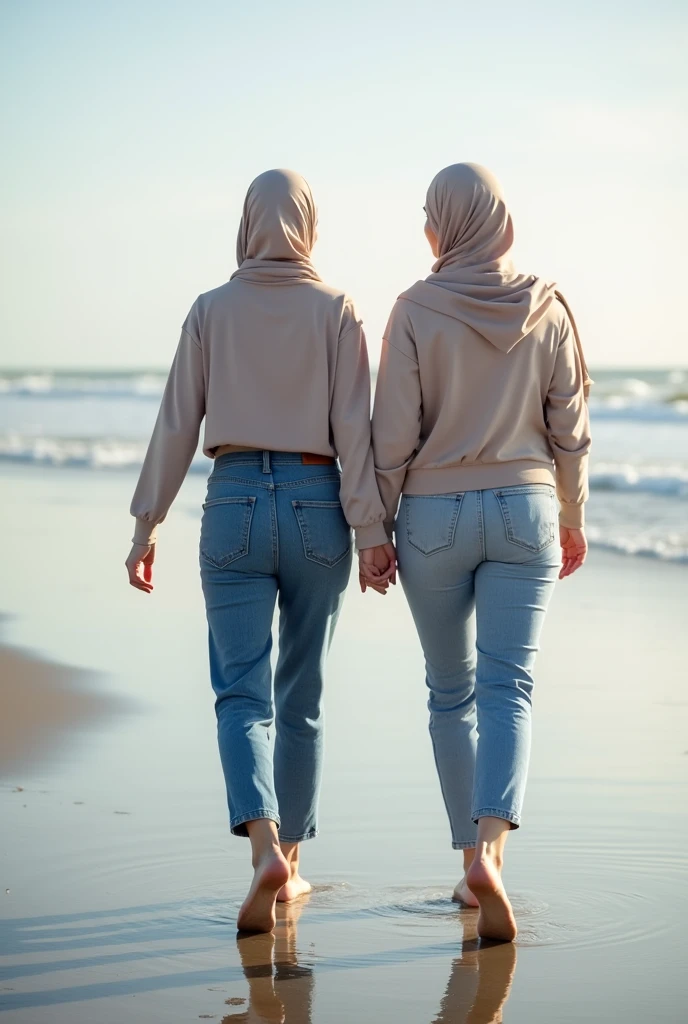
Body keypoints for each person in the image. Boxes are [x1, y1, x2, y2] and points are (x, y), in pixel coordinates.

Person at [125, 169, 395, 933]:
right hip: (317, 504)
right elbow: (355, 433)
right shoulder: (338, 309)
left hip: (235, 498)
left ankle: (264, 852)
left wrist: (147, 527)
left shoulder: (210, 310)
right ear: (308, 224)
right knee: (300, 696)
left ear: (248, 223)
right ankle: (295, 869)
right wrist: (372, 534)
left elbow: (176, 422)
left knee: (242, 695)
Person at [368, 162, 591, 941]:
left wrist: (375, 529)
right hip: (527, 508)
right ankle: (490, 856)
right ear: (502, 220)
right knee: (510, 687)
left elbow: (390, 437)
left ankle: (467, 854)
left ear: (443, 225)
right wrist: (572, 514)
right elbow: (571, 428)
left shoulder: (413, 310)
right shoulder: (548, 305)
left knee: (449, 691)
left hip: (431, 515)